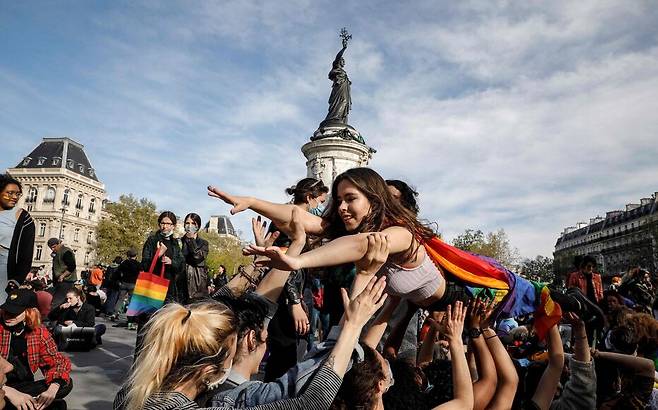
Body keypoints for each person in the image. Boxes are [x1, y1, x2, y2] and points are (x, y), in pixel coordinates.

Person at [114, 272, 388, 410]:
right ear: (211, 372)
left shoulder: (130, 394)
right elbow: (311, 401)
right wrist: (351, 326)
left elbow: (206, 310)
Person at [0, 289, 73, 409]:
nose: (7, 316)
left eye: (14, 313)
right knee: (57, 406)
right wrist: (8, 392)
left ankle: (30, 403)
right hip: (3, 385)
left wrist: (52, 389)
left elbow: (56, 361)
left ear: (29, 313)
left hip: (25, 386)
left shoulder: (38, 331)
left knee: (65, 383)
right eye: (6, 311)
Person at [135, 211, 184, 354]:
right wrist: (158, 255)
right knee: (146, 326)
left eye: (169, 224)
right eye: (163, 223)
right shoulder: (152, 240)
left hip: (168, 290)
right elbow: (144, 264)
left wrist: (171, 262)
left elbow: (181, 265)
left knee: (163, 328)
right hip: (151, 288)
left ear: (173, 226)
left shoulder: (175, 243)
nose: (165, 226)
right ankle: (140, 360)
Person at [0, 174, 34, 295]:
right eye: (10, 193)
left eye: (18, 194)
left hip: (5, 266)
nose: (14, 197)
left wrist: (17, 280)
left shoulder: (23, 217)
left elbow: (26, 252)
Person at [180, 213, 209, 303]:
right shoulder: (179, 241)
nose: (190, 226)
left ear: (198, 226)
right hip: (180, 285)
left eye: (193, 223)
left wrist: (191, 240)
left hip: (197, 287)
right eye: (187, 223)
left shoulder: (203, 243)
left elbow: (197, 258)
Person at [47, 238, 77, 310]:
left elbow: (72, 266)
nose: (53, 249)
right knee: (62, 302)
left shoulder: (66, 251)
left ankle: (51, 318)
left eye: (54, 247)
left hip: (66, 281)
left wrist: (63, 276)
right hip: (59, 281)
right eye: (51, 248)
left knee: (57, 302)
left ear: (59, 244)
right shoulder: (57, 252)